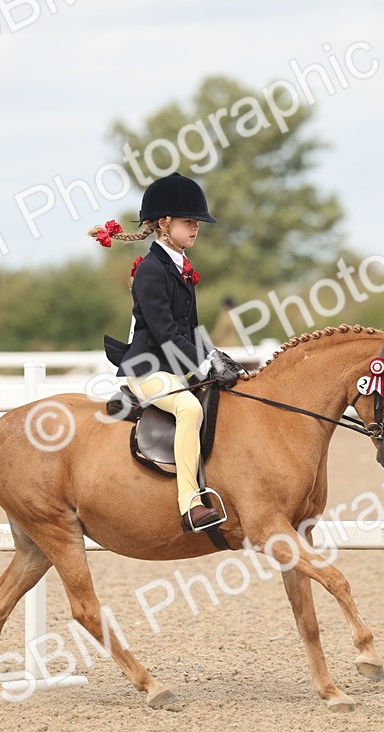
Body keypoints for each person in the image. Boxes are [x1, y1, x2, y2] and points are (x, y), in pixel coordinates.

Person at [90, 172, 244, 532]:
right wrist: (204, 363)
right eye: (188, 221)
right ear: (164, 224)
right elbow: (165, 333)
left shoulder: (181, 269)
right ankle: (190, 504)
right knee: (189, 408)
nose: (196, 228)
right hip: (147, 369)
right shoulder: (150, 270)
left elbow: (191, 329)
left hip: (174, 365)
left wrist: (218, 357)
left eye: (196, 222)